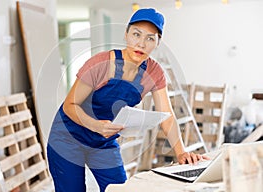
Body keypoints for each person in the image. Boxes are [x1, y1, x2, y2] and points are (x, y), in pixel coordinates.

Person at [47, 8, 208, 192]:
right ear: (126, 34)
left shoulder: (154, 73)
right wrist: (97, 126)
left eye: (150, 38)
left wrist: (181, 153)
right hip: (67, 138)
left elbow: (167, 117)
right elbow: (70, 105)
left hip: (103, 141)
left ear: (157, 43)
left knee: (121, 189)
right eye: (136, 35)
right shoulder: (101, 64)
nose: (141, 44)